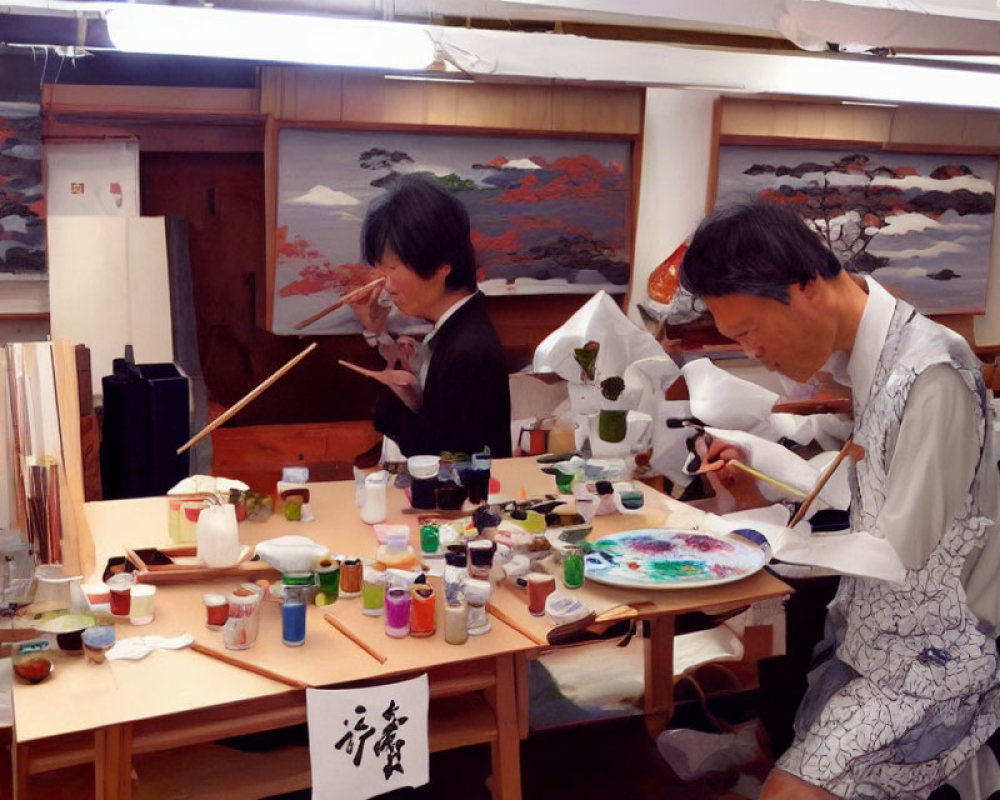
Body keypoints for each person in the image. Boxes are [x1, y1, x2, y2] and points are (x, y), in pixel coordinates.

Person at [678, 201, 1000, 799]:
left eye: (748, 331)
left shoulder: (931, 370)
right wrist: (754, 498)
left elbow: (900, 554)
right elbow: (870, 499)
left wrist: (765, 537)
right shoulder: (870, 363)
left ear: (804, 288)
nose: (751, 352)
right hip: (869, 641)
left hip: (937, 661)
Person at [350, 173, 511, 459]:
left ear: (440, 266)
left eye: (392, 268)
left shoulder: (469, 351)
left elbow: (435, 453)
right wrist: (378, 334)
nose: (385, 285)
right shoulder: (457, 328)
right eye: (380, 271)